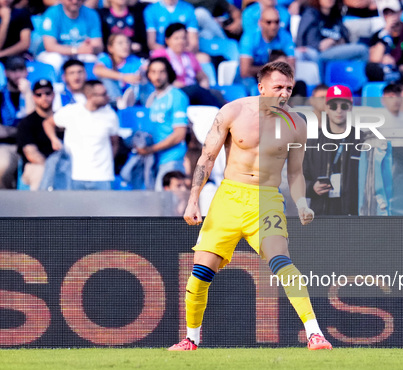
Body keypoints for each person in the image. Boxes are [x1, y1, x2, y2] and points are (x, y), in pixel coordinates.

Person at [169, 61, 332, 351]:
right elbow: (207, 157)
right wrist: (193, 198)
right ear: (261, 87)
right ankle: (191, 339)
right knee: (199, 274)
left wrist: (302, 203)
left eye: (289, 89)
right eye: (278, 87)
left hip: (266, 200)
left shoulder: (297, 124)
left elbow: (295, 173)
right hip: (229, 198)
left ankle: (314, 333)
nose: (283, 94)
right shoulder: (233, 111)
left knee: (283, 263)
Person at [43, 80, 120, 190]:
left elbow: (114, 143)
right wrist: (54, 139)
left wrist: (107, 162)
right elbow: (48, 123)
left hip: (103, 176)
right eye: (103, 94)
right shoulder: (72, 111)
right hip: (74, 175)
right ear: (90, 96)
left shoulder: (110, 115)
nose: (107, 97)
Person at [303, 84, 360, 215]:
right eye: (333, 106)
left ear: (350, 108)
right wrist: (312, 187)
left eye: (344, 106)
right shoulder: (311, 141)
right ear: (326, 108)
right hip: (321, 211)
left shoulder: (361, 140)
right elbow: (298, 178)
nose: (339, 110)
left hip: (352, 213)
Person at [137, 57, 189, 190]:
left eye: (161, 72)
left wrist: (150, 149)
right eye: (153, 72)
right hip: (154, 160)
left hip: (172, 158)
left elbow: (179, 134)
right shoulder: (151, 98)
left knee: (171, 205)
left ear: (169, 73)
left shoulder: (176, 96)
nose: (157, 76)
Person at [0, 55, 34, 189]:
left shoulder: (37, 95)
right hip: (4, 146)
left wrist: (28, 95)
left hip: (32, 146)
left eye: (21, 69)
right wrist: (23, 131)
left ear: (26, 71)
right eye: (13, 70)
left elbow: (35, 126)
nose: (18, 74)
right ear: (6, 72)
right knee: (2, 167)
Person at [152, 23, 224, 107]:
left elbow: (203, 77)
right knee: (196, 90)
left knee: (216, 93)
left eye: (183, 38)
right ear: (167, 40)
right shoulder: (160, 55)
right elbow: (154, 75)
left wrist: (204, 87)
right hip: (172, 91)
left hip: (193, 91)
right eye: (176, 38)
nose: (181, 41)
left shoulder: (190, 56)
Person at [295, 0, 368, 81]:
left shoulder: (335, 15)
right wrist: (320, 45)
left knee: (362, 49)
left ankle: (356, 80)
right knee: (362, 50)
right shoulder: (311, 14)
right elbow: (306, 41)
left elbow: (345, 38)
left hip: (334, 50)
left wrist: (333, 41)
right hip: (318, 53)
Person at [38, 0, 103, 74]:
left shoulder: (91, 14)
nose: (75, 2)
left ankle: (90, 84)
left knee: (95, 59)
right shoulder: (52, 13)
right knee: (54, 59)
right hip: (58, 53)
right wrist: (76, 50)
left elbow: (98, 45)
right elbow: (50, 46)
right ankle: (56, 84)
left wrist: (91, 48)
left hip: (81, 52)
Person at [238, 7, 295, 92]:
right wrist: (273, 67)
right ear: (260, 23)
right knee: (255, 86)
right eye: (269, 22)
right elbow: (245, 71)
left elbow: (292, 68)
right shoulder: (249, 38)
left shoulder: (285, 37)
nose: (273, 26)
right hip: (251, 78)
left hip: (274, 78)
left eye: (277, 22)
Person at [16, 79, 57, 190]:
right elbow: (31, 154)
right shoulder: (26, 123)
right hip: (35, 166)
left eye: (47, 93)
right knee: (40, 171)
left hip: (60, 164)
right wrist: (51, 168)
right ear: (34, 97)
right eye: (39, 94)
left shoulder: (61, 119)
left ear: (53, 95)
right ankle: (37, 207)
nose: (44, 97)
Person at [93, 33, 143, 104]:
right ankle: (118, 102)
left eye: (127, 42)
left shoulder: (134, 60)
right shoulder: (105, 58)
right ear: (110, 48)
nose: (125, 46)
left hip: (133, 98)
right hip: (112, 100)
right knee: (106, 78)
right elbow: (97, 70)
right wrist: (123, 77)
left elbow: (146, 68)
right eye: (120, 43)